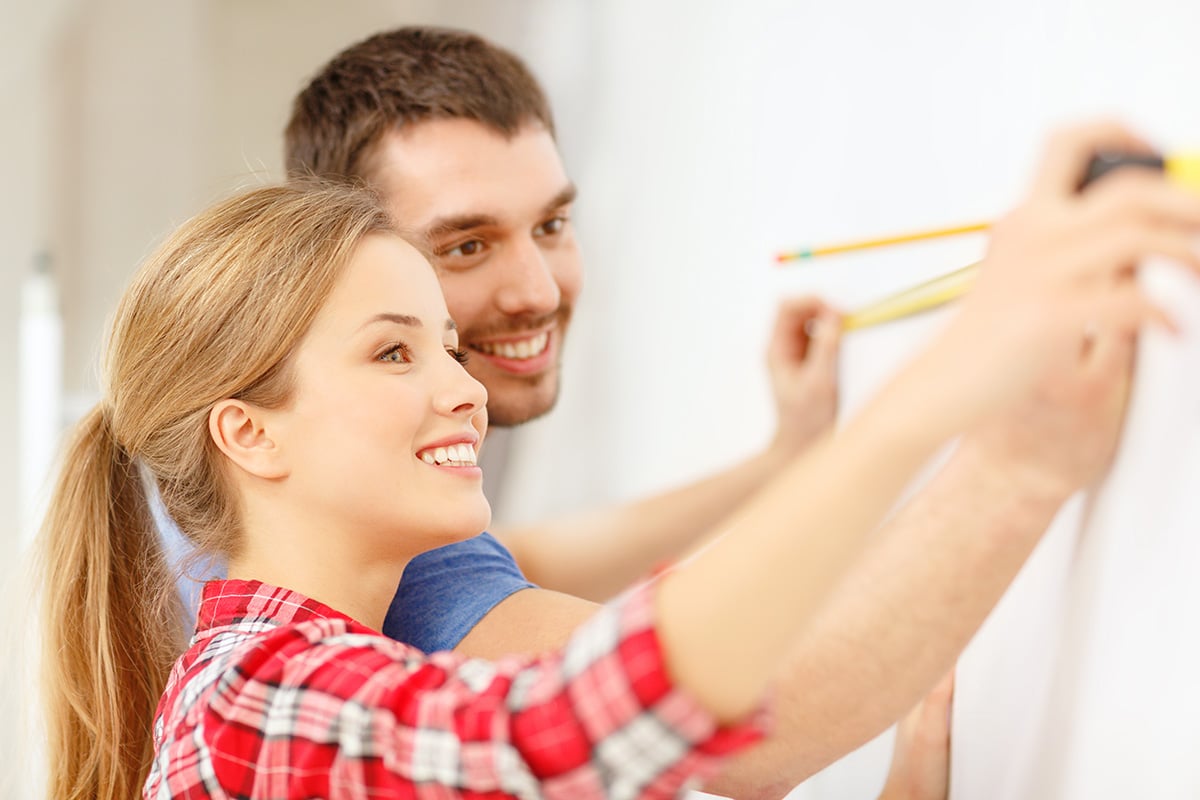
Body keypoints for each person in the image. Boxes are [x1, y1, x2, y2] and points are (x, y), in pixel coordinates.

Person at [38, 118, 1199, 798]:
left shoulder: (341, 652)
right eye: (394, 353)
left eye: (447, 345)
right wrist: (967, 402)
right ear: (249, 430)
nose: (462, 386)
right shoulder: (255, 691)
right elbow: (576, 724)